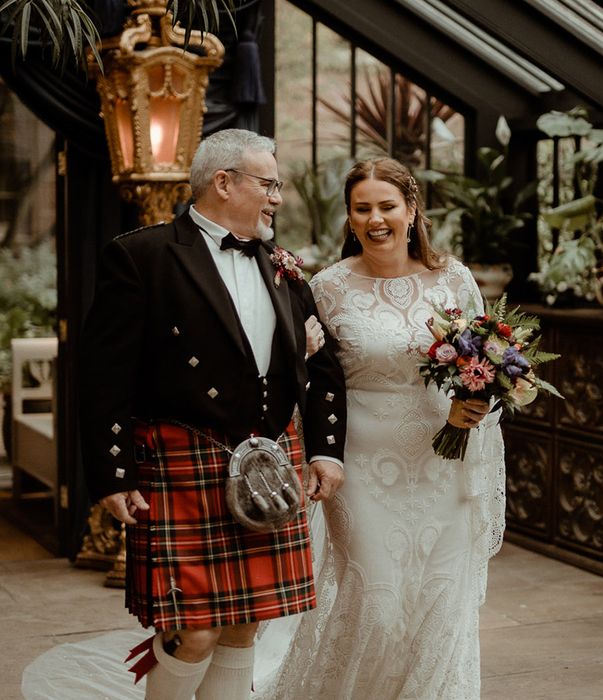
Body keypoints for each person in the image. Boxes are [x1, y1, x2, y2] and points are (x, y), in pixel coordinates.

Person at [78, 128, 346, 700]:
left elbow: (322, 370)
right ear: (224, 183)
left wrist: (324, 448)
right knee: (193, 631)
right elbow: (105, 376)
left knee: (247, 622)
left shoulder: (283, 263)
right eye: (268, 184)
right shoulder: (141, 256)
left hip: (268, 461)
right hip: (184, 455)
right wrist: (113, 473)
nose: (277, 197)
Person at [254, 157, 506, 699]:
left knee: (439, 599)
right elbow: (310, 380)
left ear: (412, 210)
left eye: (387, 206)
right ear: (349, 218)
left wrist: (477, 407)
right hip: (362, 466)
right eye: (362, 208)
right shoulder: (327, 287)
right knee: (378, 600)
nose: (376, 219)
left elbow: (488, 365)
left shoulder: (454, 279)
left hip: (444, 461)